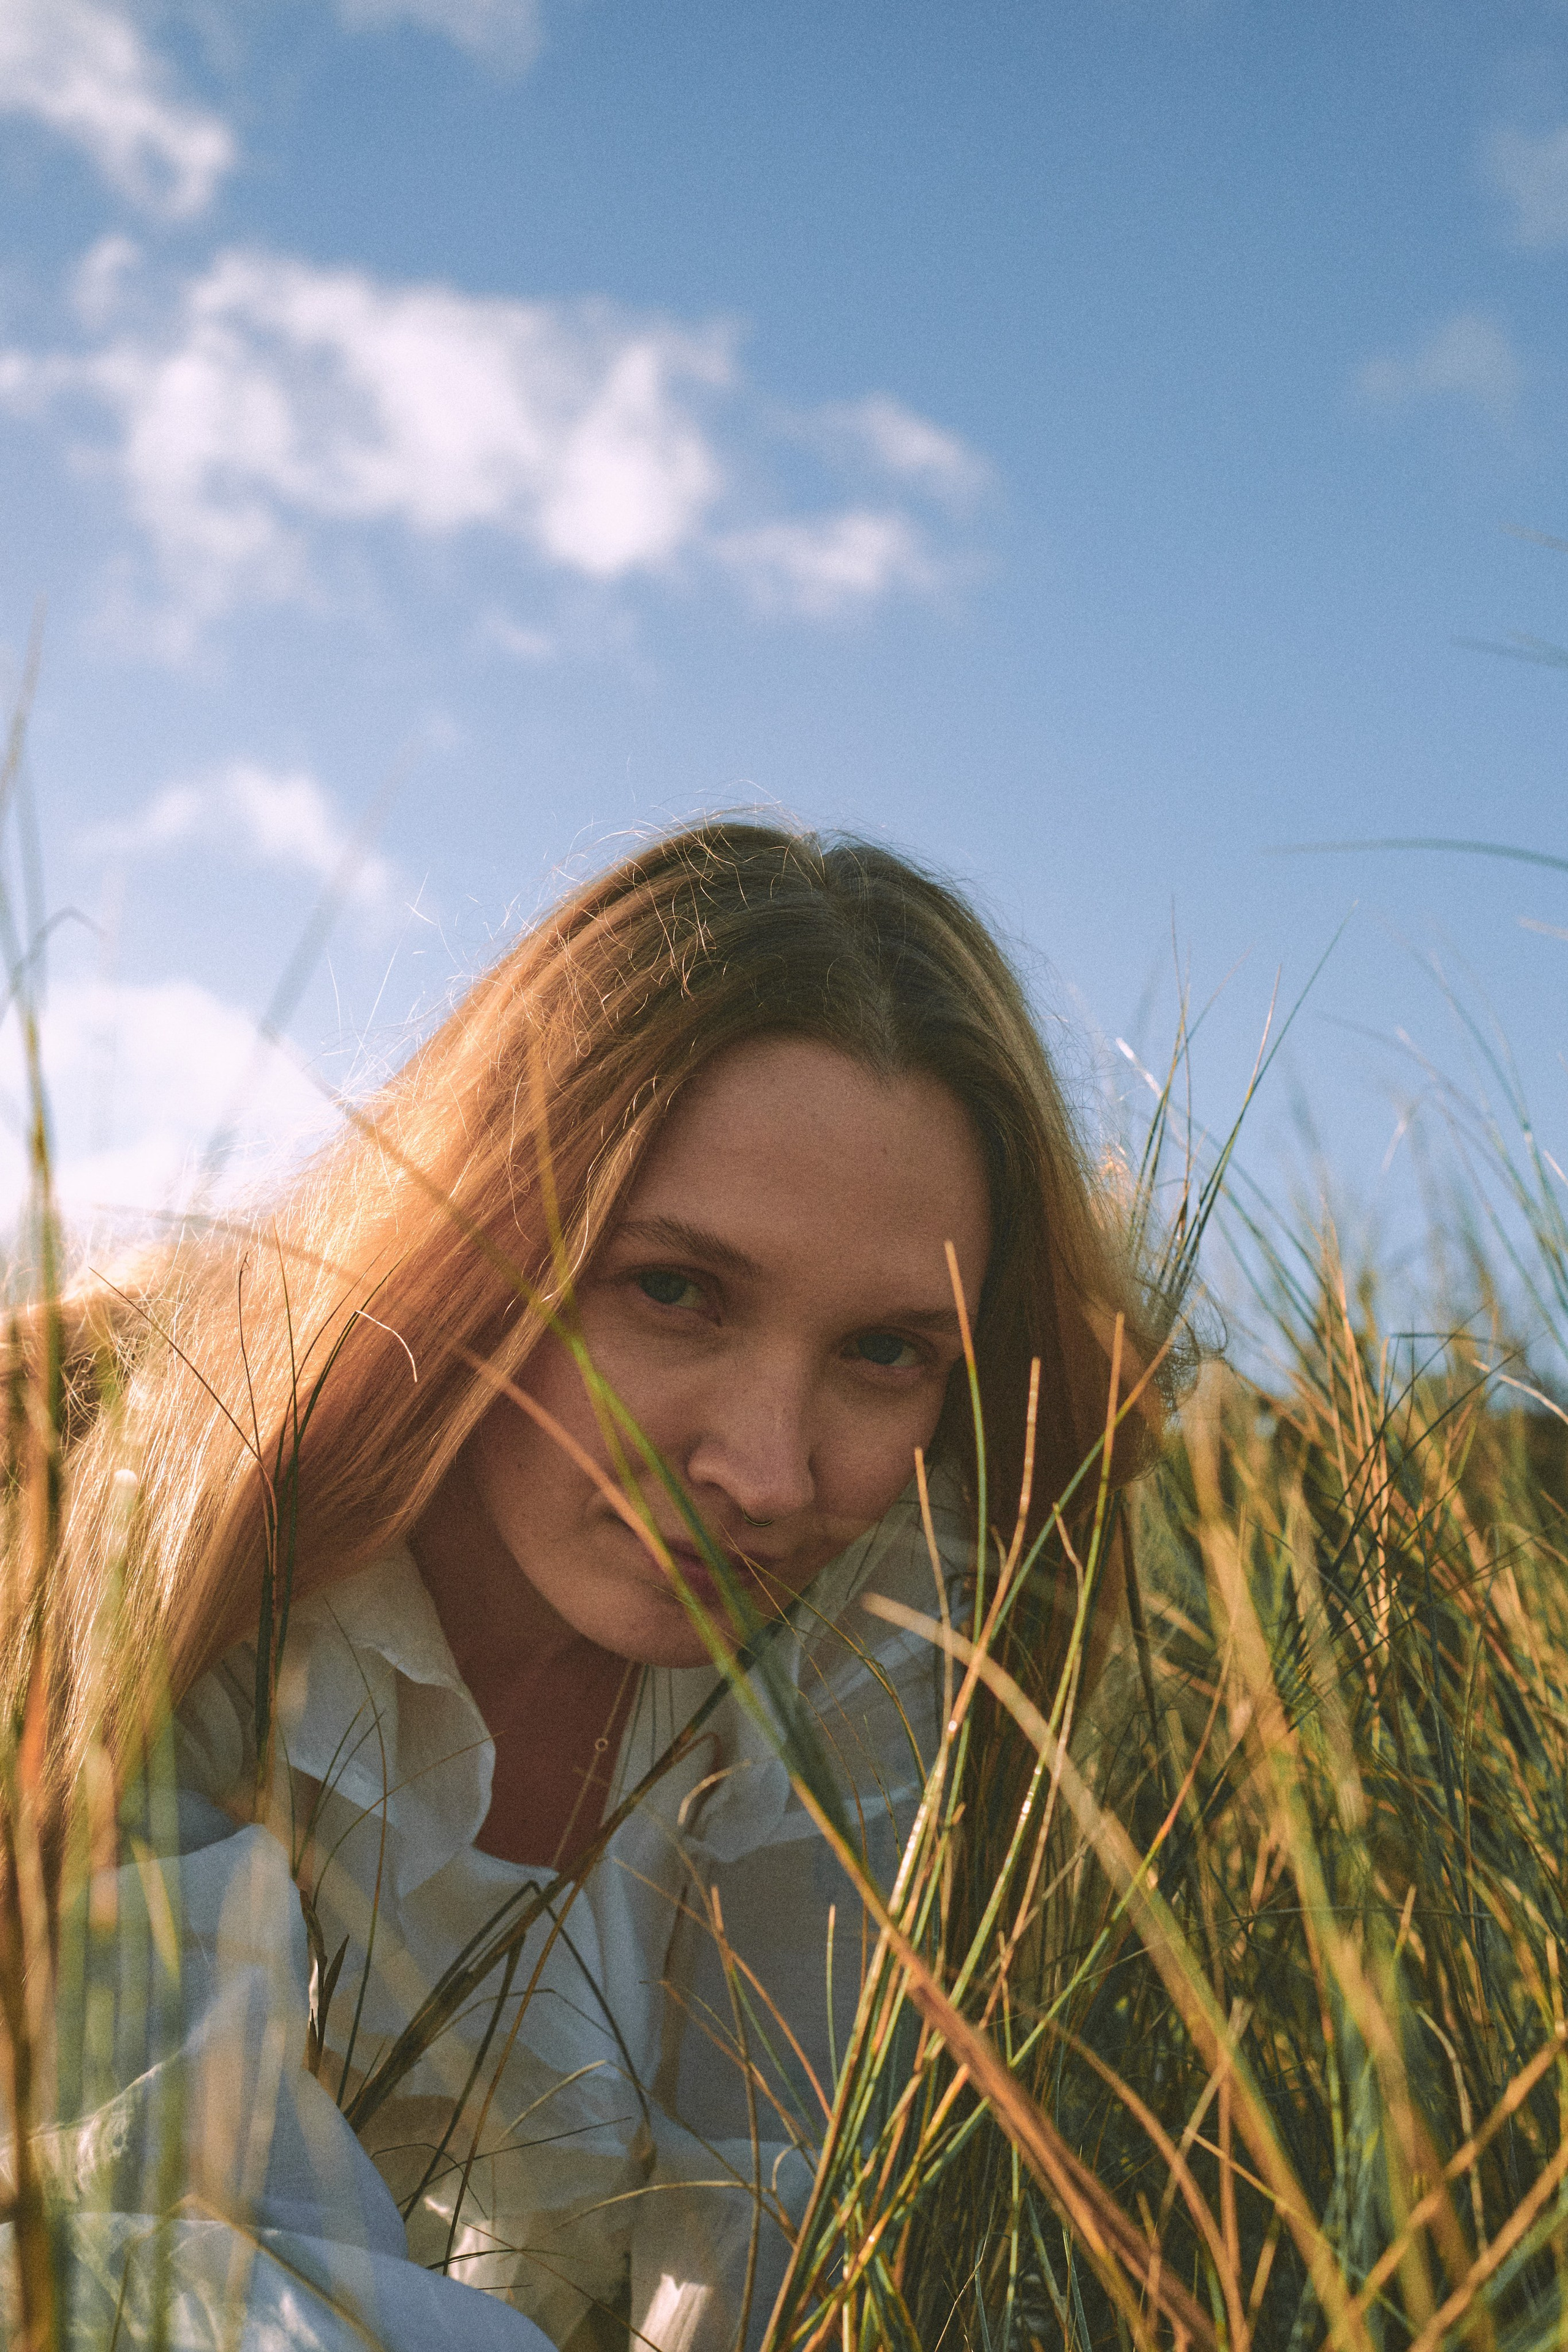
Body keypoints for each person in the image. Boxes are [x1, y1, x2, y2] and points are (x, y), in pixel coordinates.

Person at [12, 820, 1170, 2351]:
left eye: (883, 1350)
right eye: (673, 1289)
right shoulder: (165, 1533)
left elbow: (778, 2238)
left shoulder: (884, 1616)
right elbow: (165, 2262)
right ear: (477, 1244)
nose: (767, 1473)